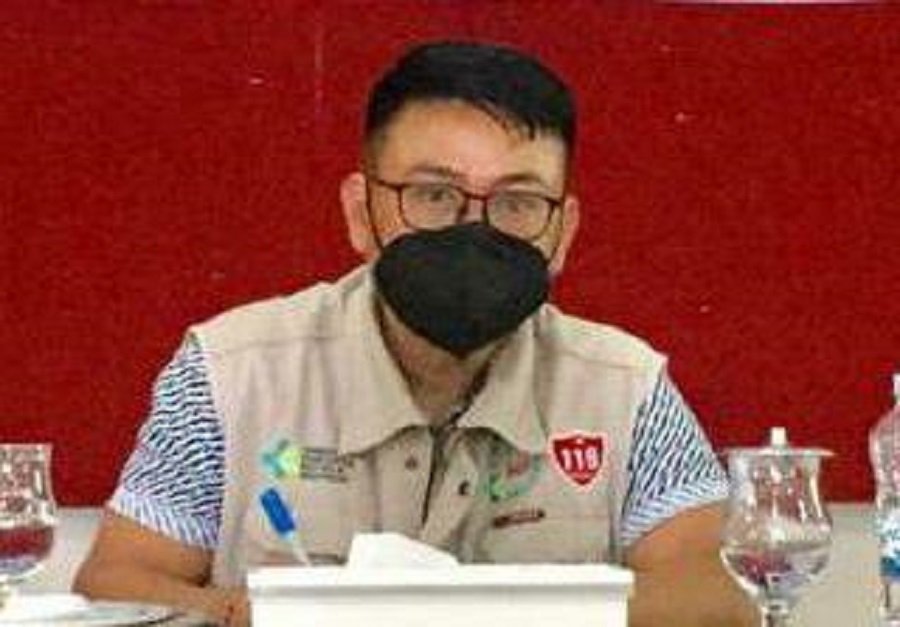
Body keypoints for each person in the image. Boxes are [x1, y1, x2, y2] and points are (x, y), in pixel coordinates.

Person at [74, 41, 755, 626]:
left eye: (518, 202)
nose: (473, 230)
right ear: (360, 213)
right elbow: (115, 583)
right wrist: (274, 616)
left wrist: (465, 618)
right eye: (433, 194)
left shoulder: (627, 389)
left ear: (563, 232)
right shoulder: (228, 374)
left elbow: (720, 595)